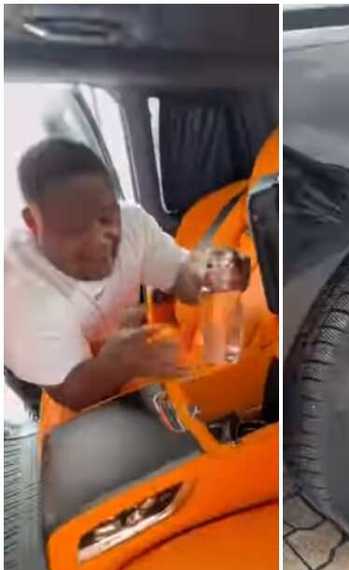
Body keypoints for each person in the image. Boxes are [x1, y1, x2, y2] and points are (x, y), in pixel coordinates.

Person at [4, 138, 205, 413]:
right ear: (32, 223)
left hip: (106, 335)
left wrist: (204, 280)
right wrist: (118, 363)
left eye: (105, 216)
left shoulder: (133, 223)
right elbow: (70, 392)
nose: (98, 239)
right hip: (43, 362)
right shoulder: (20, 293)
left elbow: (178, 272)